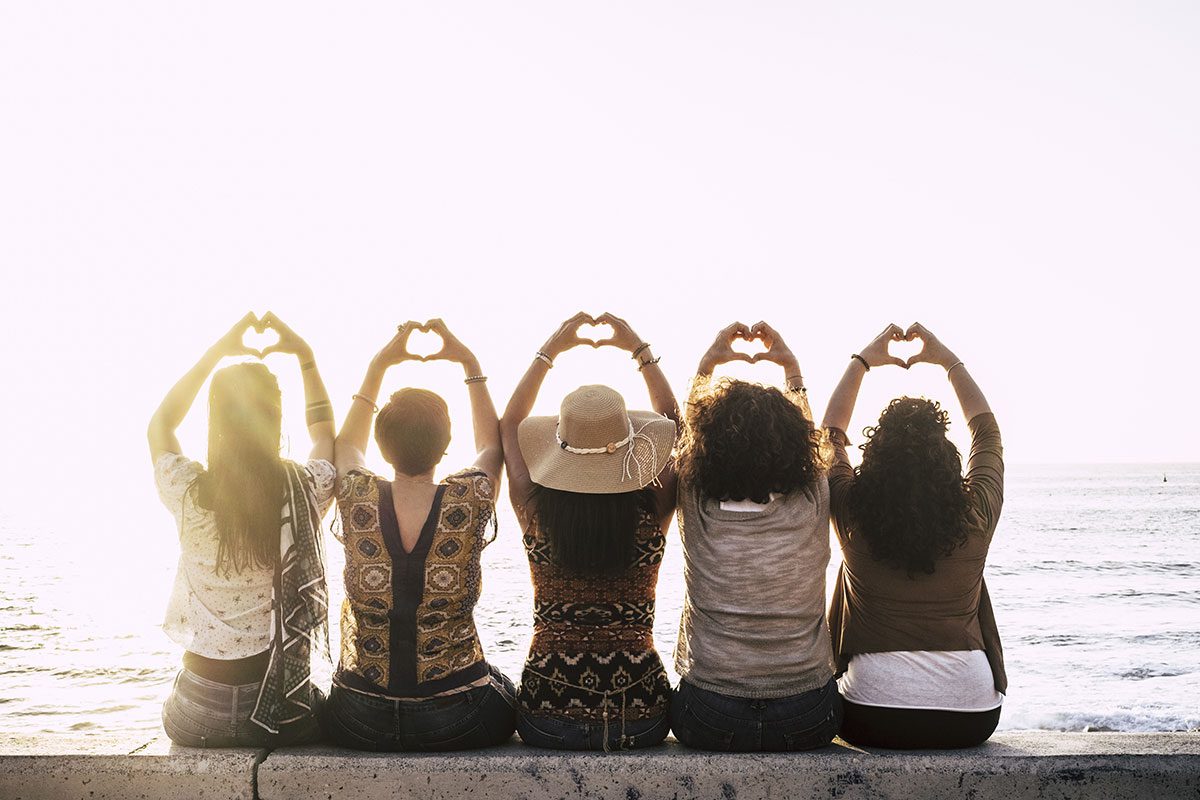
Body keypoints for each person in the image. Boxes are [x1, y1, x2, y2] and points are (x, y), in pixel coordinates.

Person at [324, 319, 515, 751]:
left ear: (382, 443)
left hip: (358, 716)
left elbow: (347, 445)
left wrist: (379, 365)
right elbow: (492, 445)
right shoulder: (468, 499)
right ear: (446, 443)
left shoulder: (355, 496)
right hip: (457, 718)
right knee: (504, 684)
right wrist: (469, 362)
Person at [148, 312, 334, 747]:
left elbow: (161, 425)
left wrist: (216, 354)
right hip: (278, 712)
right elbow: (325, 433)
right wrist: (305, 355)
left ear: (216, 419)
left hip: (197, 715)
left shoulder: (187, 489)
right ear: (274, 418)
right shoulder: (303, 490)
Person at [500, 312, 678, 751]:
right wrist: (639, 350)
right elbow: (676, 423)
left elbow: (508, 426)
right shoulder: (651, 514)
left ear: (560, 445)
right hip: (640, 715)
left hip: (545, 715)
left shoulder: (534, 514)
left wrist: (550, 350)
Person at [823, 323, 1006, 749]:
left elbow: (830, 437)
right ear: (946, 457)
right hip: (972, 717)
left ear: (875, 455)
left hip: (870, 716)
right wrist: (947, 360)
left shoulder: (854, 515)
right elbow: (987, 433)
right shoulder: (975, 514)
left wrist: (862, 362)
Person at [670, 321, 841, 751]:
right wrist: (791, 368)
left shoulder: (696, 500)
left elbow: (686, 436)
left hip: (709, 711)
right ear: (798, 444)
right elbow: (814, 441)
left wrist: (709, 362)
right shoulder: (812, 498)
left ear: (709, 444)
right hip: (808, 711)